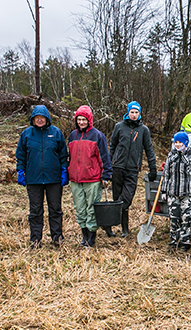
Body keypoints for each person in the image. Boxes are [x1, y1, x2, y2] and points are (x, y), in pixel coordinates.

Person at [16, 105, 69, 247]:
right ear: (33, 120)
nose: (40, 120)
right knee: (35, 210)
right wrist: (20, 171)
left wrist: (64, 170)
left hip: (54, 179)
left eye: (42, 118)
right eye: (37, 118)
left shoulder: (56, 133)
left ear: (47, 119)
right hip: (33, 179)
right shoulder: (26, 134)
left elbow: (63, 154)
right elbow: (20, 155)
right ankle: (35, 239)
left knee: (55, 209)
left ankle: (57, 237)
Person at [107, 101, 157, 238]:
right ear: (127, 113)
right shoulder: (119, 127)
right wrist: (108, 166)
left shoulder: (143, 130)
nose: (134, 115)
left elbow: (149, 149)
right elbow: (112, 147)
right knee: (117, 198)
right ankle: (123, 229)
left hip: (132, 169)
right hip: (117, 167)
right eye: (132, 112)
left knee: (126, 199)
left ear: (139, 114)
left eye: (136, 113)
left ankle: (112, 224)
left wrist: (153, 167)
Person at [67, 105, 112, 247]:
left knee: (91, 208)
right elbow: (69, 157)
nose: (81, 122)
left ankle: (91, 236)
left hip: (92, 178)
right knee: (80, 208)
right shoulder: (72, 136)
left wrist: (106, 175)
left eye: (84, 120)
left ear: (89, 120)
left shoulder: (97, 136)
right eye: (79, 119)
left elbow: (104, 157)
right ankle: (84, 234)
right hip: (75, 179)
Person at [161, 131, 191, 251]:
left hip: (186, 194)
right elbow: (166, 174)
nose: (178, 145)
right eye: (176, 142)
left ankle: (185, 242)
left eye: (180, 142)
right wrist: (164, 191)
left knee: (186, 219)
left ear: (185, 143)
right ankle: (173, 241)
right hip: (173, 193)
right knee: (174, 219)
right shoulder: (171, 156)